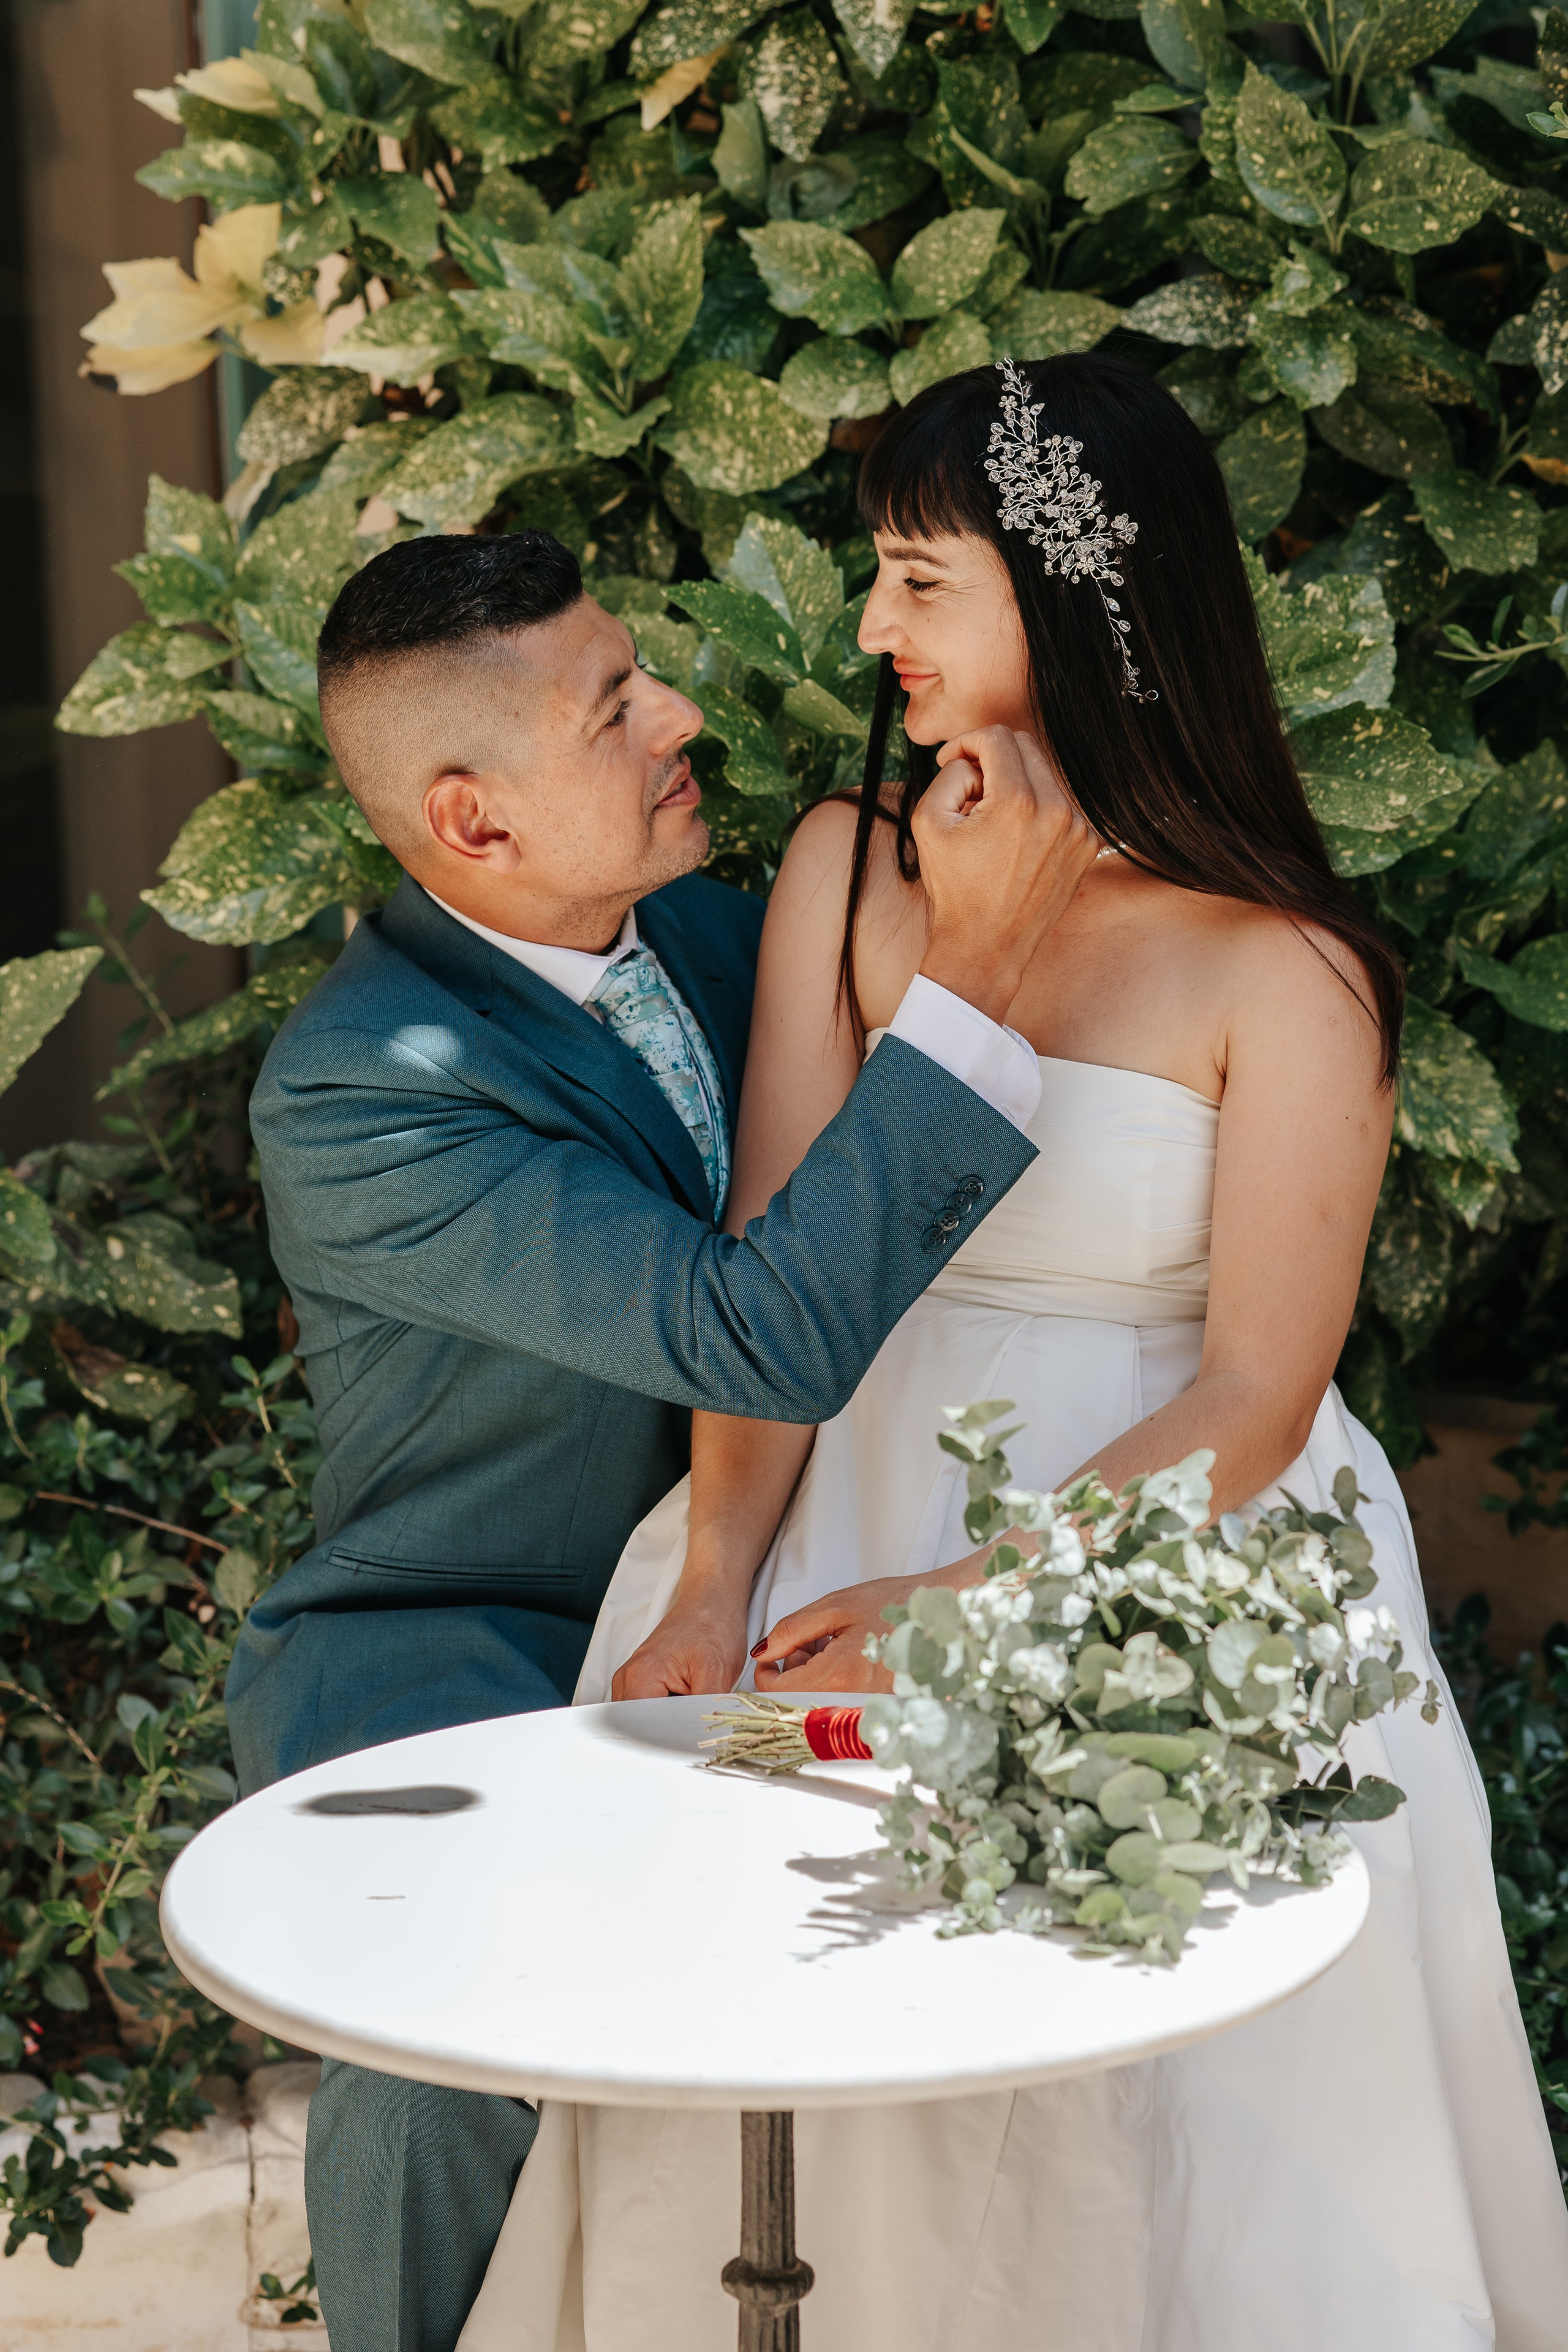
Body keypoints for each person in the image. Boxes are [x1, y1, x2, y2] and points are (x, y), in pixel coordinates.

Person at [461, 358, 1568, 2351]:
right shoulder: (840, 868)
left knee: (1146, 2098)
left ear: (1075, 603)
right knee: (805, 2060)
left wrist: (965, 1610)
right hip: (823, 1505)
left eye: (914, 580)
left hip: (1157, 1555)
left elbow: (1260, 1393)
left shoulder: (1287, 964)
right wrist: (716, 1577)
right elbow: (774, 1275)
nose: (872, 629)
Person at [224, 526, 1098, 2352]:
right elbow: (749, 1330)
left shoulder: (717, 926)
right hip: (478, 1635)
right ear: (475, 824)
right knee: (439, 2014)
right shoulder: (359, 1092)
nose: (682, 717)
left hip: (776, 1590)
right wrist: (983, 975)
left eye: (648, 674)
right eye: (621, 710)